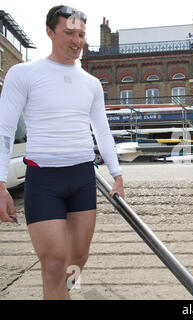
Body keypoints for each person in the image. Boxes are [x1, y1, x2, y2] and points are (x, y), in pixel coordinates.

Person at [0, 5, 124, 299]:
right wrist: (0, 182)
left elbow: (102, 131)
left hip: (82, 177)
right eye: (69, 33)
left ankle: (63, 293)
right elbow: (4, 130)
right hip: (44, 180)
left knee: (77, 261)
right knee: (54, 264)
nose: (76, 41)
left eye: (81, 34)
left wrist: (117, 173)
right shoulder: (24, 74)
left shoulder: (91, 84)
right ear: (50, 32)